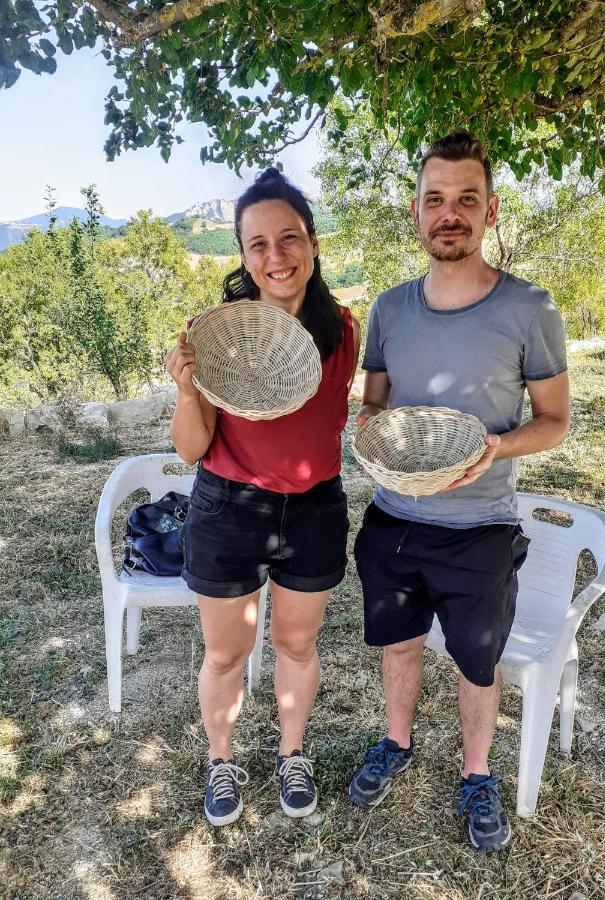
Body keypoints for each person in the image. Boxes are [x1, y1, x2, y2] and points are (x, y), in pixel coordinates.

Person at [349, 130, 569, 852]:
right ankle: (395, 741)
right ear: (414, 212)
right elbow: (374, 405)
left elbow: (555, 422)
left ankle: (476, 775)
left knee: (476, 663)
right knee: (399, 646)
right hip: (392, 519)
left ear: (490, 211)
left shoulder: (528, 308)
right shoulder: (388, 308)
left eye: (464, 200)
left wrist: (498, 447)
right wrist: (369, 429)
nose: (449, 213)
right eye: (434, 200)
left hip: (480, 526)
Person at [165, 168, 360, 827]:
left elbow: (334, 417)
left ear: (311, 243)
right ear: (243, 257)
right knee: (226, 653)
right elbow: (191, 450)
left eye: (289, 238)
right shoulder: (210, 335)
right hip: (228, 509)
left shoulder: (344, 332)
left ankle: (291, 752)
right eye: (257, 244)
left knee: (297, 646)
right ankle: (221, 762)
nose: (275, 256)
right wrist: (188, 389)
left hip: (314, 509)